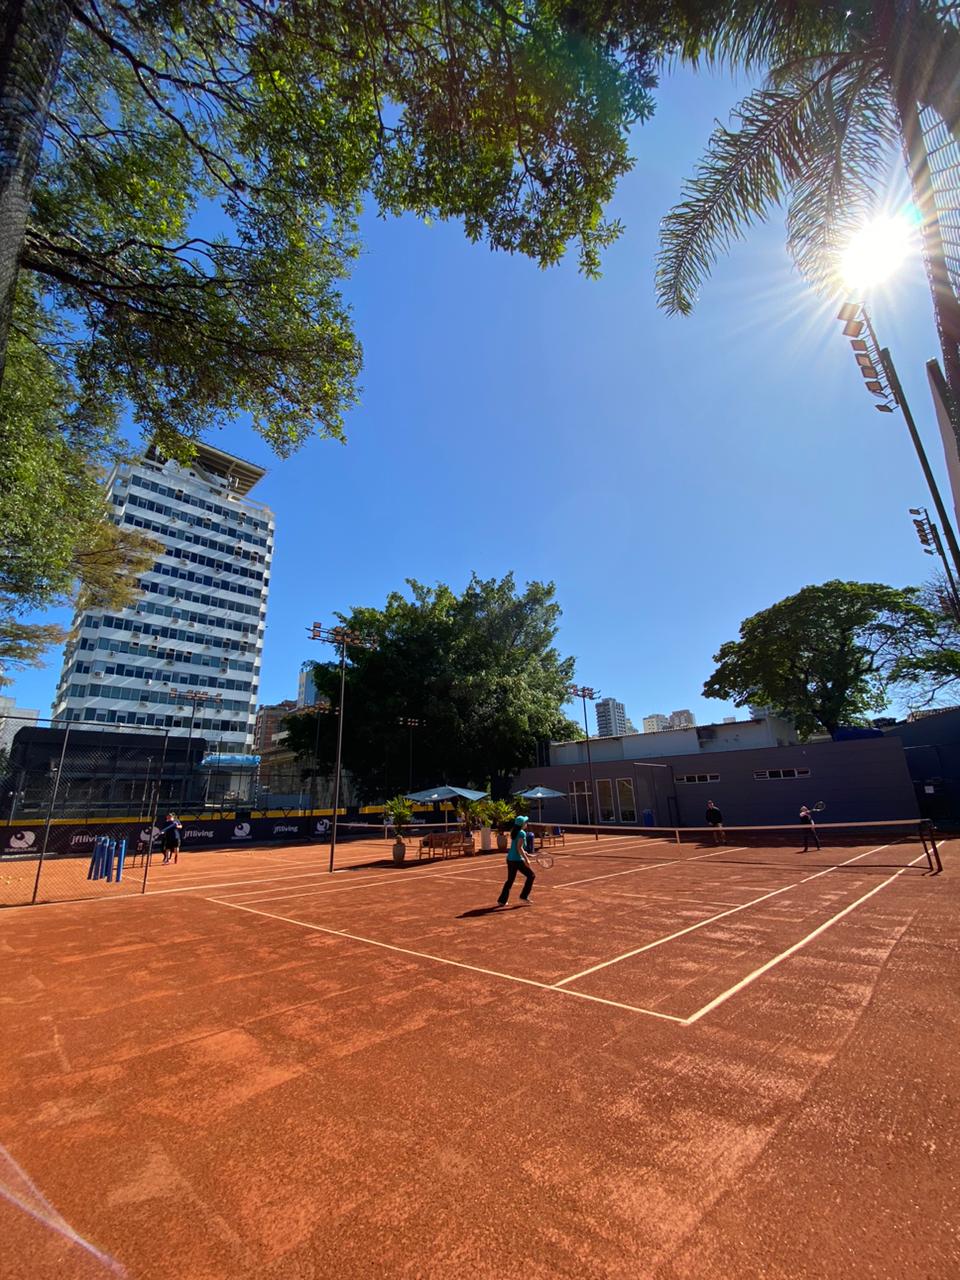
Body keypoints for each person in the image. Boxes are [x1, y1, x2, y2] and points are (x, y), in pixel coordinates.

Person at [497, 814, 535, 906]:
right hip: (517, 860)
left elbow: (517, 847)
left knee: (510, 880)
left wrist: (526, 854)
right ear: (522, 824)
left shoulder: (514, 831)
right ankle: (524, 896)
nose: (527, 823)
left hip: (510, 859)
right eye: (526, 822)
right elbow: (519, 848)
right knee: (531, 876)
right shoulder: (522, 833)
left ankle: (502, 901)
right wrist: (526, 860)